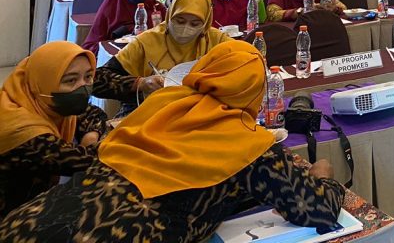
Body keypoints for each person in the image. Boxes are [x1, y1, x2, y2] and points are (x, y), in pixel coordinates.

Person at [3, 41, 346, 242]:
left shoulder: (162, 104)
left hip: (31, 220)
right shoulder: (247, 144)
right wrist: (324, 174)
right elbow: (318, 209)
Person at [0, 41, 107, 219]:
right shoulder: (21, 130)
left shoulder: (41, 101)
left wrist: (91, 135)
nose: (83, 87)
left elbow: (93, 113)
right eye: (71, 80)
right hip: (11, 220)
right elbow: (89, 161)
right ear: (42, 82)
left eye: (88, 76)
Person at [94, 0, 231, 116]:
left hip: (201, 112)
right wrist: (141, 83)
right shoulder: (147, 42)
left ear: (206, 23)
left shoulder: (216, 40)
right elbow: (97, 81)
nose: (185, 28)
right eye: (179, 21)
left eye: (195, 24)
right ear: (169, 14)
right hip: (151, 113)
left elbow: (243, 66)